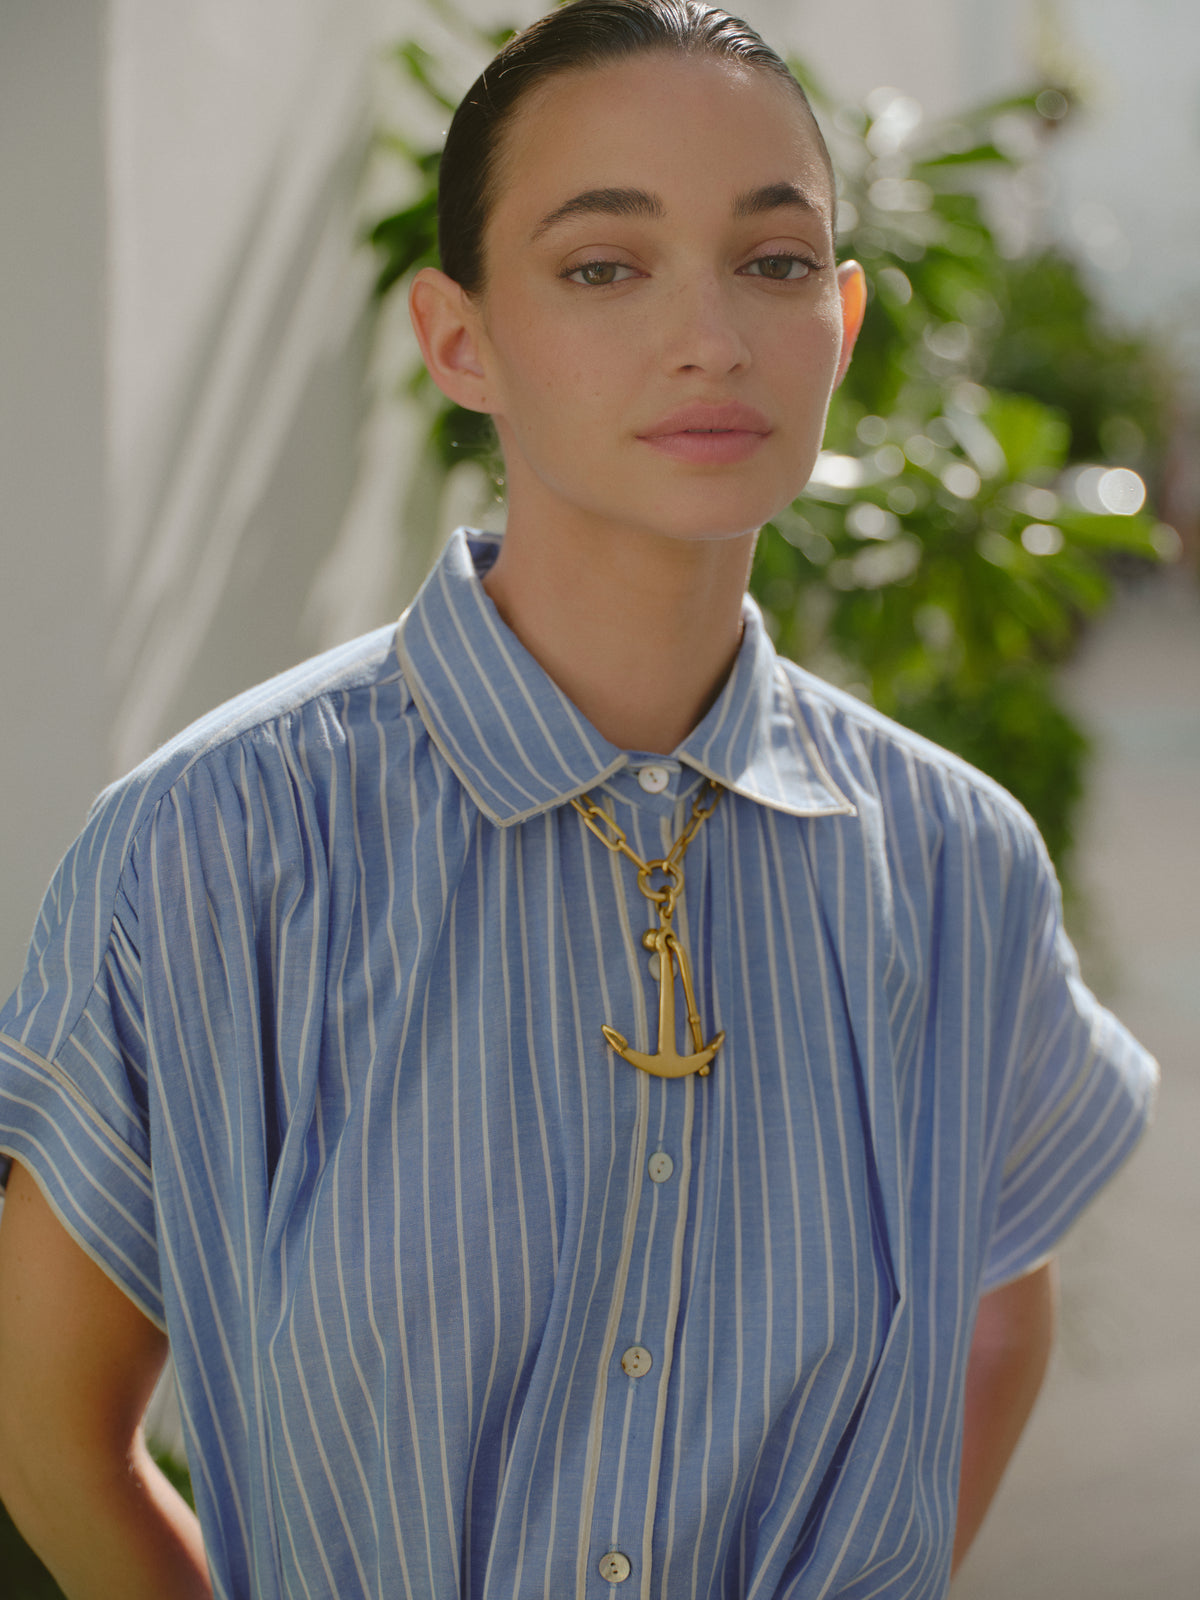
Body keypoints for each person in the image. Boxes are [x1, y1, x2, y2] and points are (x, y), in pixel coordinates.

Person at [0, 2, 1157, 1597]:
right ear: (458, 336)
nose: (712, 336)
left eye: (772, 262)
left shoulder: (959, 861)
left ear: (844, 315)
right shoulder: (210, 850)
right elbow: (44, 1429)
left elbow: (1000, 1303)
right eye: (604, 265)